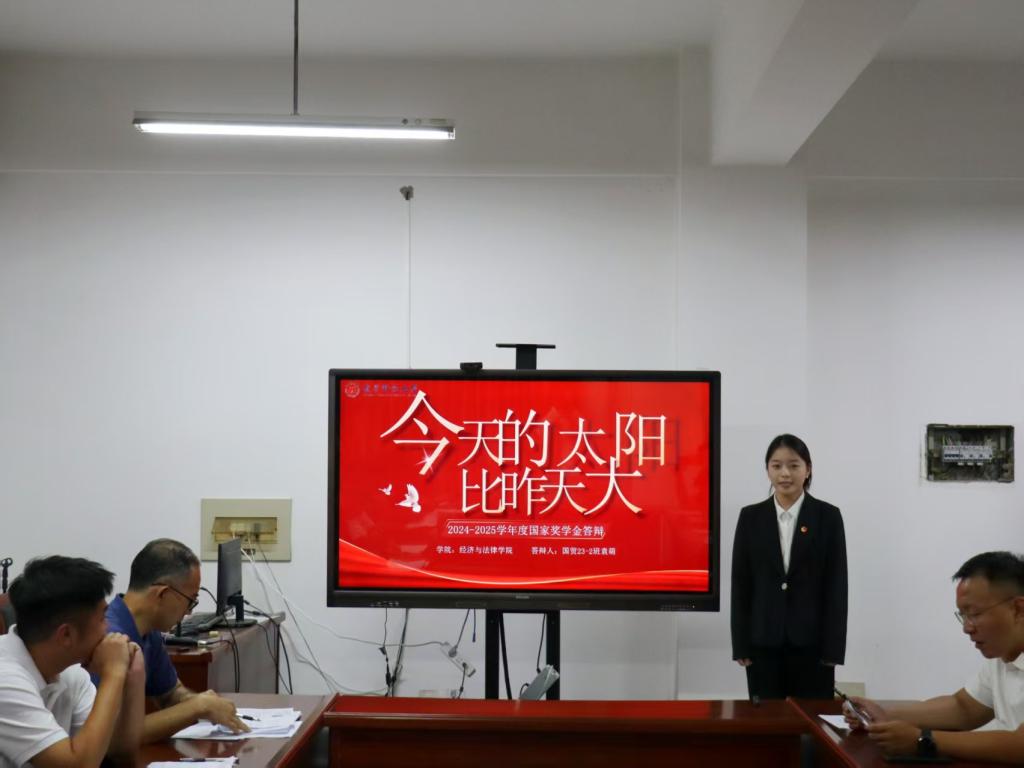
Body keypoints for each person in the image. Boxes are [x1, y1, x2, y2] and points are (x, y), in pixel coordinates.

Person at [845, 551, 1024, 762]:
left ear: (1018, 609)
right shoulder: (1000, 657)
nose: (967, 628)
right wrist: (883, 714)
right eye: (963, 616)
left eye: (975, 614)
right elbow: (963, 708)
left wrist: (924, 740)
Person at [731, 433, 848, 699]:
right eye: (777, 466)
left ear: (808, 470)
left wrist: (833, 650)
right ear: (768, 470)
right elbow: (741, 584)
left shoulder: (828, 517)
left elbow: (836, 586)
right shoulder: (751, 517)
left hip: (813, 646)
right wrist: (741, 645)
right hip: (762, 643)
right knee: (766, 719)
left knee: (811, 718)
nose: (785, 473)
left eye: (794, 465)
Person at [0, 555, 144, 768]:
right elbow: (78, 765)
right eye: (103, 618)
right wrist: (113, 673)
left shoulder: (70, 672)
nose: (108, 629)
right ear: (66, 634)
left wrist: (133, 678)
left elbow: (116, 752)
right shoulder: (5, 679)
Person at [99, 538, 248, 743]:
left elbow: (170, 694)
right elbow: (113, 737)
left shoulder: (149, 631)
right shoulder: (109, 639)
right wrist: (198, 707)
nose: (189, 612)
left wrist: (201, 701)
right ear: (163, 594)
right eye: (190, 601)